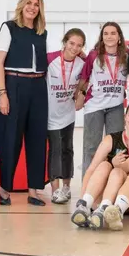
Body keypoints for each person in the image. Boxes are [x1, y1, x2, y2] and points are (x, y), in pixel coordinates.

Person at [0, 0, 49, 206]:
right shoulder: (9, 28)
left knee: (37, 139)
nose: (32, 7)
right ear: (21, 5)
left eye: (36, 4)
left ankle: (33, 190)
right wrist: (3, 94)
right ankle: (4, 189)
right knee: (11, 138)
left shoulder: (42, 32)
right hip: (14, 84)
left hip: (38, 86)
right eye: (29, 3)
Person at [70, 100, 129, 229]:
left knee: (117, 170)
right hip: (110, 194)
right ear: (125, 117)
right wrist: (82, 198)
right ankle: (85, 205)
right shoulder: (111, 139)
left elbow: (127, 167)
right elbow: (91, 170)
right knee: (104, 166)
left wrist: (115, 164)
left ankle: (104, 208)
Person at [75, 22, 128, 178]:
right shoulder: (94, 55)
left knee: (116, 148)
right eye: (106, 33)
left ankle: (111, 182)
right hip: (94, 106)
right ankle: (87, 185)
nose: (109, 36)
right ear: (102, 37)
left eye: (113, 33)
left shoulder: (126, 55)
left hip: (116, 106)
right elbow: (85, 78)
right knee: (91, 147)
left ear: (119, 37)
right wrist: (80, 96)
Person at [46, 28, 87, 204]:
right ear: (64, 42)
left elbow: (89, 72)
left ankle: (67, 187)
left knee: (68, 149)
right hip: (50, 113)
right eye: (71, 43)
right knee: (55, 149)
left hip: (68, 113)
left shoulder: (82, 63)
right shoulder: (50, 59)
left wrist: (80, 93)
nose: (74, 48)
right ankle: (55, 190)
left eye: (79, 45)